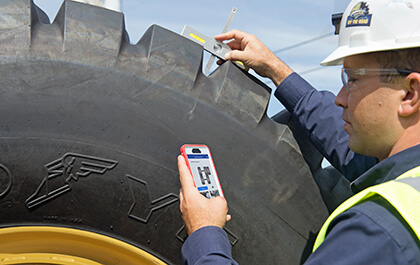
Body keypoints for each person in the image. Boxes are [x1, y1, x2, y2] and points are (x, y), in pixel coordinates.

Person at [178, 0, 420, 264]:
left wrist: (205, 235)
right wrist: (274, 68)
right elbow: (339, 138)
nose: (340, 98)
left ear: (409, 94)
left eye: (352, 80)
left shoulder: (375, 232)